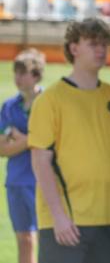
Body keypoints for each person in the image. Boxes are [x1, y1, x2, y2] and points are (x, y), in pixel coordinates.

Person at [28, 18, 110, 263]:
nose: (101, 50)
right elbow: (41, 162)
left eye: (105, 44)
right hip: (69, 221)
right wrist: (58, 216)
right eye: (93, 44)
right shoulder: (50, 100)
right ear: (74, 48)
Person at [0, 48, 46, 263]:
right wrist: (32, 140)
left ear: (36, 75)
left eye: (22, 73)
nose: (17, 78)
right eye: (15, 73)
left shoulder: (49, 103)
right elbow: (2, 149)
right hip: (17, 181)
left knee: (49, 240)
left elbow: (54, 143)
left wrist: (20, 138)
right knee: (24, 240)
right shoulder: (9, 106)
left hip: (44, 182)